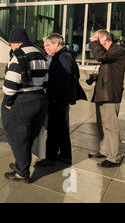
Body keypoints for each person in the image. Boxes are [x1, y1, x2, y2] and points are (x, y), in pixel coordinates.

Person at [1, 27, 49, 183]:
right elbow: (46, 80)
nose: (11, 47)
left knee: (17, 137)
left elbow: (10, 84)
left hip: (22, 102)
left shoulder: (18, 56)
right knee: (28, 136)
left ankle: (22, 173)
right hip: (39, 99)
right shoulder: (41, 54)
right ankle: (21, 164)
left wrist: (8, 103)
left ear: (15, 42)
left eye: (11, 44)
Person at [36, 34, 87, 167]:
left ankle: (50, 158)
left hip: (57, 100)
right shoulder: (64, 55)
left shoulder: (63, 57)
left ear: (57, 44)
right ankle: (65, 155)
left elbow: (64, 80)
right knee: (62, 128)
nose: (45, 47)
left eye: (48, 45)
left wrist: (53, 97)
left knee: (53, 129)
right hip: (60, 99)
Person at [88, 30, 125, 168]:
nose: (92, 40)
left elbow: (101, 56)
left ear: (104, 38)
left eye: (95, 38)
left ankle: (113, 157)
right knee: (102, 124)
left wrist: (93, 42)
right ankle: (104, 151)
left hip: (111, 93)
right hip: (102, 92)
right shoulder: (109, 52)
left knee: (111, 126)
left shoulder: (118, 50)